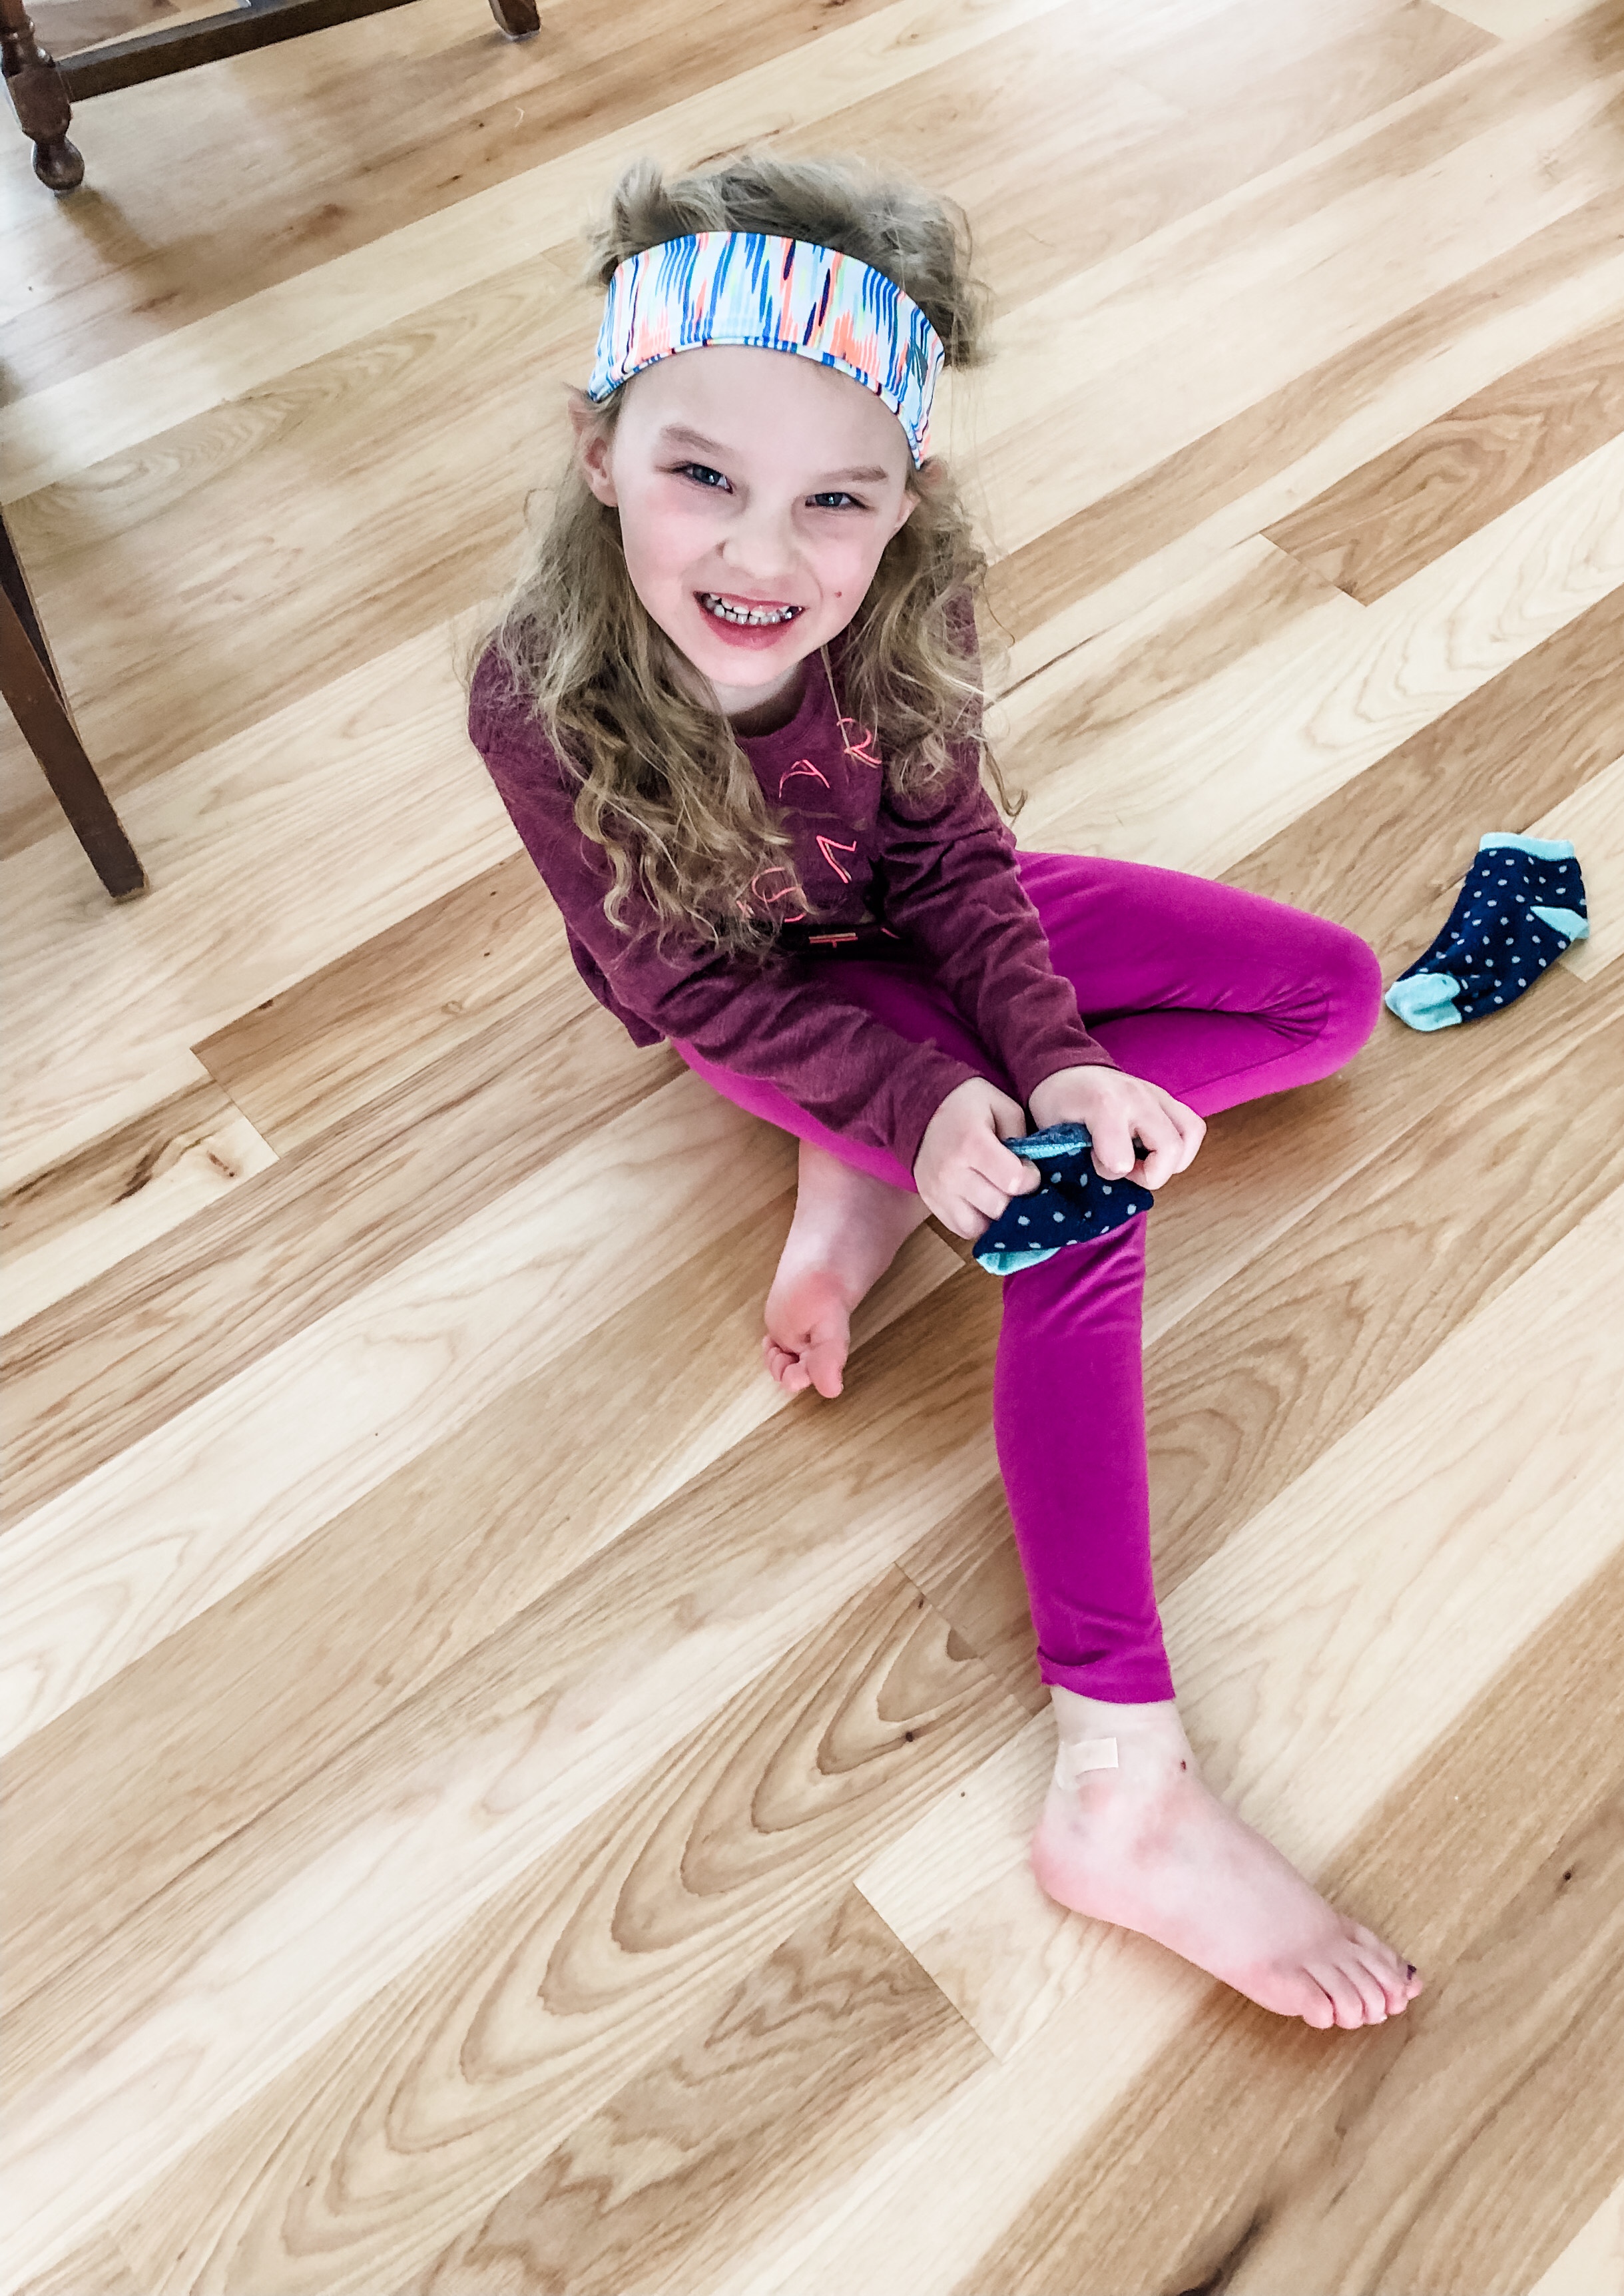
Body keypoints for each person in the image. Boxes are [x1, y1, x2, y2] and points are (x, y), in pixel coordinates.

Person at [466, 154, 1422, 2031]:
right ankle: (1120, 1779)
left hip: (909, 959)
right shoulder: (534, 695)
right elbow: (673, 978)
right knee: (1083, 1229)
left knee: (1329, 998)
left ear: (909, 503)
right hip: (766, 1007)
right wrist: (922, 1105)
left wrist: (1049, 1058)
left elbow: (962, 865)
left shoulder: (914, 604)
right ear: (601, 453)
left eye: (840, 499)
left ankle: (884, 1178)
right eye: (701, 478)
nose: (763, 558)